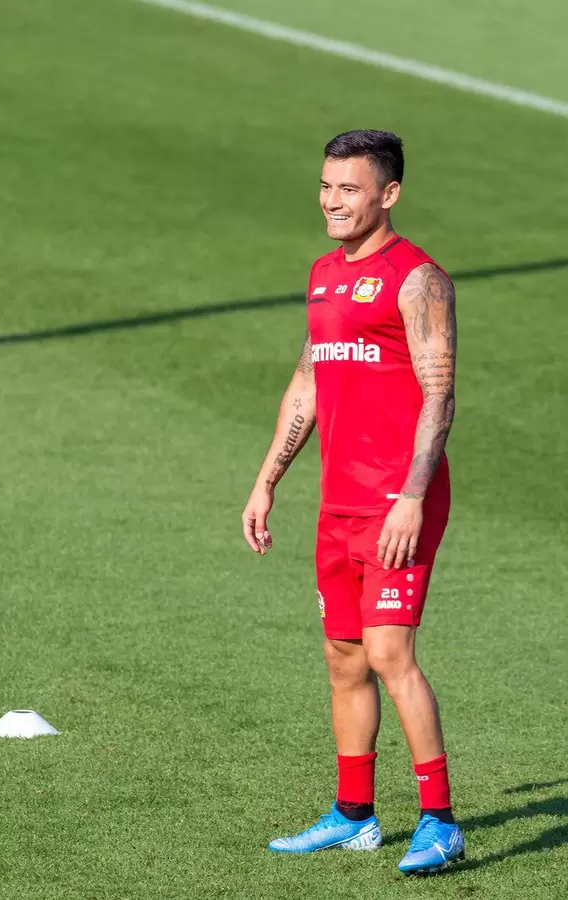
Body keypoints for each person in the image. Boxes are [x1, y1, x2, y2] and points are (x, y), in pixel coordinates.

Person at [241, 130, 465, 874]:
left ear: (388, 195)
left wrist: (412, 494)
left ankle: (439, 820)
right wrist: (268, 479)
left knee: (389, 652)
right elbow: (308, 381)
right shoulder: (323, 275)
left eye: (350, 189)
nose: (334, 202)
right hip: (338, 503)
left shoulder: (418, 278)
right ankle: (354, 815)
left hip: (400, 501)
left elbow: (439, 393)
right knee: (343, 657)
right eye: (328, 187)